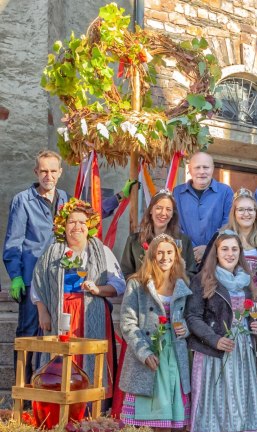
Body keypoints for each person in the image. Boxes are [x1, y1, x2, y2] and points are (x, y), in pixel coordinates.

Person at [2, 149, 132, 383]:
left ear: (60, 172)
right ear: (36, 172)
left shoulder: (65, 199)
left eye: (53, 171)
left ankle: (57, 384)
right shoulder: (23, 201)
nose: (48, 176)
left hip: (63, 283)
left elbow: (87, 215)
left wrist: (119, 198)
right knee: (30, 336)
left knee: (59, 337)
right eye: (43, 171)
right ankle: (26, 389)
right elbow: (13, 242)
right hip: (35, 281)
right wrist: (16, 276)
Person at [185, 230, 257, 432]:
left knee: (235, 409)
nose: (230, 254)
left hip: (241, 351)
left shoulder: (245, 281)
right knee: (217, 409)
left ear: (240, 254)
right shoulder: (203, 279)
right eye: (225, 249)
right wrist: (215, 339)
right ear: (216, 253)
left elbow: (250, 317)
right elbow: (193, 317)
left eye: (234, 249)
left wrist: (255, 327)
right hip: (214, 352)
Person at [31, 198, 126, 398]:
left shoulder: (102, 251)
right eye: (72, 221)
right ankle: (59, 402)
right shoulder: (52, 252)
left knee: (88, 356)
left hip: (90, 313)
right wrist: (43, 311)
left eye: (82, 222)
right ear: (63, 226)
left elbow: (119, 285)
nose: (77, 226)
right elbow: (37, 283)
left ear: (89, 226)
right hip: (59, 313)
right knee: (60, 358)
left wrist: (98, 289)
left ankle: (90, 406)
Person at [119, 234, 191, 432]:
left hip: (172, 355)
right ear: (151, 255)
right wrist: (144, 352)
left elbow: (187, 320)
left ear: (176, 256)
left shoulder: (181, 283)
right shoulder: (137, 284)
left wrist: (184, 329)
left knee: (165, 416)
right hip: (149, 354)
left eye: (170, 253)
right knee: (144, 416)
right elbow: (128, 323)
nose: (165, 258)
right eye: (160, 253)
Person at [200, 188, 257, 294]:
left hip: (255, 299)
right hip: (224, 297)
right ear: (234, 213)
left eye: (250, 209)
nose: (246, 214)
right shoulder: (221, 237)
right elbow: (205, 268)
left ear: (256, 213)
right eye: (241, 210)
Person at [121, 189, 196, 280]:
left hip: (174, 292)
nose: (163, 213)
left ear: (172, 214)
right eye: (158, 208)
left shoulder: (183, 241)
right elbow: (125, 274)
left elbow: (191, 274)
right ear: (151, 210)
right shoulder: (134, 241)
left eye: (168, 209)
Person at [173, 151, 233, 264]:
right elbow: (175, 224)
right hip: (185, 258)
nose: (202, 172)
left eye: (206, 167)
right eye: (197, 167)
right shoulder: (177, 193)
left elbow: (228, 224)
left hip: (216, 259)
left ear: (212, 169)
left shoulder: (225, 192)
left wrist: (209, 248)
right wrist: (191, 249)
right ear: (190, 170)